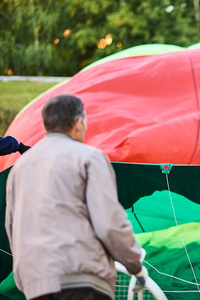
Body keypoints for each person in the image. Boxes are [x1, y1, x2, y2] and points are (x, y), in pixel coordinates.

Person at [5, 94, 149, 300]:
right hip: (83, 283)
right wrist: (134, 264)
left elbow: (13, 229)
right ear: (78, 123)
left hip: (36, 286)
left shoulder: (19, 168)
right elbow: (109, 223)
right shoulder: (89, 158)